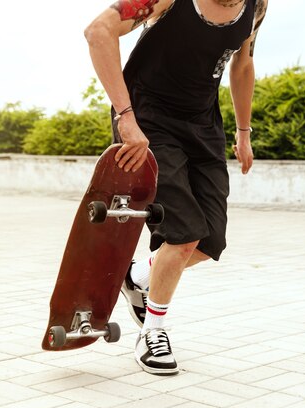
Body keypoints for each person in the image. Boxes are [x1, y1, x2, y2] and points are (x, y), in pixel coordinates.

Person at [85, 0, 268, 375]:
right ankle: (153, 333)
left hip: (202, 126)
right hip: (149, 121)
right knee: (183, 235)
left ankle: (136, 276)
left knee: (209, 242)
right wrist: (125, 118)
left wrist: (244, 132)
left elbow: (243, 63)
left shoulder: (258, 5)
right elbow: (98, 32)